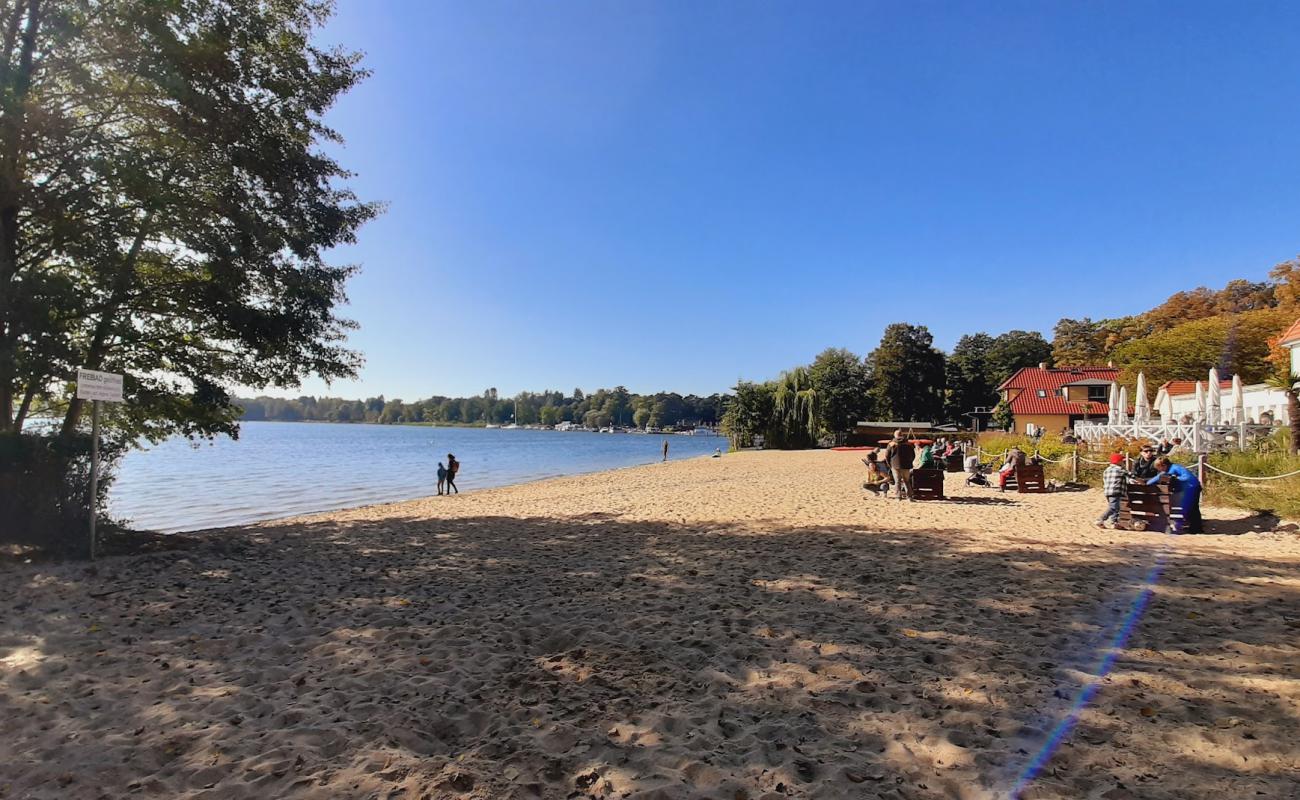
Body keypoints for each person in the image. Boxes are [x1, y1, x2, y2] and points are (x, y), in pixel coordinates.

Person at [1147, 457, 1202, 533]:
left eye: (1159, 468)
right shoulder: (1169, 469)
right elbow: (1158, 477)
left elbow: (1187, 477)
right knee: (1190, 508)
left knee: (1193, 508)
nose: (1159, 470)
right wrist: (1147, 483)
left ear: (1163, 465)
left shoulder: (1175, 468)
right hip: (1189, 488)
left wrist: (1176, 478)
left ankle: (1196, 529)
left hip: (1193, 487)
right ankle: (1193, 526)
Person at [885, 430, 916, 501]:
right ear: (902, 435)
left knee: (897, 481)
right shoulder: (908, 443)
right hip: (906, 465)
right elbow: (913, 454)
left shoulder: (891, 444)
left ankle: (898, 497)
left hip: (895, 465)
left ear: (895, 435)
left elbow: (887, 455)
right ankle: (909, 497)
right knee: (907, 481)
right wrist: (910, 461)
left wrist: (889, 464)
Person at [1097, 453, 1126, 528]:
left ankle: (1114, 522)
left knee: (1116, 507)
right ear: (1118, 462)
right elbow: (1131, 476)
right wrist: (1141, 481)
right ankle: (1101, 519)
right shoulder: (1121, 470)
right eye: (1122, 461)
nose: (1124, 462)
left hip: (1107, 491)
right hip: (1116, 491)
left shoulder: (1107, 470)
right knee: (1113, 507)